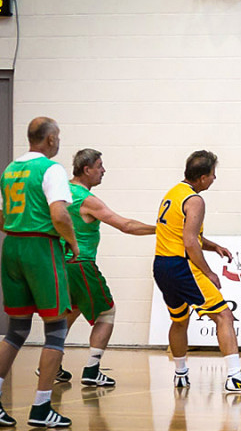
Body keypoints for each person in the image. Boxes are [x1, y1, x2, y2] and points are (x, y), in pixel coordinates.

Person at [153, 150, 241, 393]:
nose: (214, 179)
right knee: (224, 316)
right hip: (182, 266)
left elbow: (180, 234)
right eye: (213, 175)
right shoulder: (195, 200)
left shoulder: (173, 193)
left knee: (179, 320)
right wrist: (209, 272)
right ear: (202, 177)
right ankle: (235, 375)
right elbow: (190, 241)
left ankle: (180, 373)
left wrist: (214, 246)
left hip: (161, 266)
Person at [55, 149, 157, 387]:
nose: (103, 170)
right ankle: (92, 369)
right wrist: (161, 229)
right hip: (81, 264)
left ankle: (51, 363)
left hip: (58, 264)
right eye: (99, 166)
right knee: (106, 312)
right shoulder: (86, 199)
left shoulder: (60, 192)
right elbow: (126, 225)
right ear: (86, 169)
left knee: (70, 312)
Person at [0, 117, 77, 427]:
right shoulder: (51, 169)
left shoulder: (10, 170)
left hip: (11, 246)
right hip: (40, 248)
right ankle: (42, 408)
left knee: (16, 330)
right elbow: (59, 214)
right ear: (49, 140)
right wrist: (72, 242)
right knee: (55, 329)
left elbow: (2, 215)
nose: (58, 142)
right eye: (57, 137)